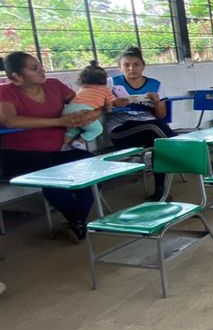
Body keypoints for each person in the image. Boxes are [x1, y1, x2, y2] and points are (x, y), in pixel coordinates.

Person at [0, 52, 98, 241]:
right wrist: (58, 122)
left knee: (92, 165)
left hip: (55, 151)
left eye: (40, 65)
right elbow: (9, 121)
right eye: (34, 68)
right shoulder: (5, 91)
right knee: (53, 175)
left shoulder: (54, 85)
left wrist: (92, 112)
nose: (42, 70)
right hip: (20, 154)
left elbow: (81, 104)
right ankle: (78, 223)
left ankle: (77, 222)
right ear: (16, 77)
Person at [108, 46, 177, 201]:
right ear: (120, 67)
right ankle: (185, 153)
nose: (131, 68)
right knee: (154, 128)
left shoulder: (155, 85)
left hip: (149, 128)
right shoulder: (112, 83)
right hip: (121, 130)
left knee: (159, 143)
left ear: (143, 66)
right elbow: (96, 106)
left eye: (136, 64)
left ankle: (161, 190)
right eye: (126, 65)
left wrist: (157, 102)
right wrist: (113, 103)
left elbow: (161, 115)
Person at [62, 60, 126, 149]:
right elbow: (109, 103)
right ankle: (78, 142)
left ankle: (62, 147)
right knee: (97, 129)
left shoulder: (83, 88)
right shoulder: (105, 89)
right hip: (84, 110)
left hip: (68, 108)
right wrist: (109, 110)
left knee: (74, 129)